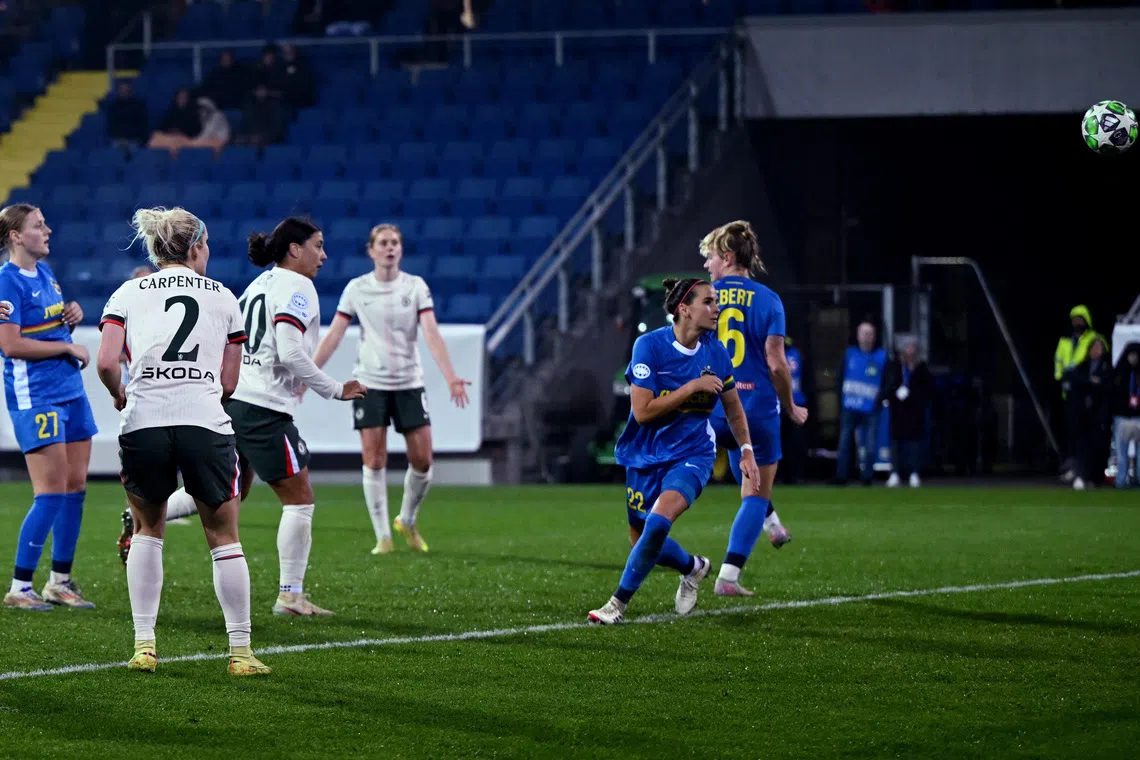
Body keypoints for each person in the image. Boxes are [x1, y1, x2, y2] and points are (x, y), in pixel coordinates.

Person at [156, 217, 365, 616]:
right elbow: (288, 351)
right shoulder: (298, 287)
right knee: (299, 498)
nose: (323, 255)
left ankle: (145, 512)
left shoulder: (260, 284)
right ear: (294, 249)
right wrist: (334, 389)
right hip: (263, 407)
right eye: (318, 246)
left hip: (235, 398)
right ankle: (290, 595)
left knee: (232, 492)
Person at [96, 206, 269, 676]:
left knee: (149, 531)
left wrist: (119, 395)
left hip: (144, 421)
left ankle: (144, 647)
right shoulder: (222, 296)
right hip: (204, 422)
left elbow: (108, 363)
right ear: (195, 247)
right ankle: (240, 653)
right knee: (223, 537)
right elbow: (229, 383)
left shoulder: (127, 292)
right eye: (206, 245)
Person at [587, 277, 761, 625]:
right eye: (709, 302)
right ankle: (693, 568)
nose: (717, 309)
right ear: (684, 309)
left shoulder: (716, 352)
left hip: (693, 454)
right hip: (645, 453)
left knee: (658, 522)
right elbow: (643, 412)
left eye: (716, 302)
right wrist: (692, 386)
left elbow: (734, 408)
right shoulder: (649, 347)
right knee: (642, 540)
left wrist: (746, 450)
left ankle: (617, 604)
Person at [313, 224, 470, 555]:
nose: (390, 248)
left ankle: (407, 520)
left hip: (409, 382)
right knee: (374, 458)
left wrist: (451, 376)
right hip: (370, 383)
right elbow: (335, 334)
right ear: (371, 250)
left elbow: (431, 334)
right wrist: (310, 373)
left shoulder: (415, 287)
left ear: (401, 249)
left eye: (395, 242)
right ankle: (383, 536)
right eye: (383, 243)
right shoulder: (357, 288)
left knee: (423, 459)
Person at [700, 221, 807, 597]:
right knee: (755, 492)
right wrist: (791, 406)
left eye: (710, 257)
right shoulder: (768, 299)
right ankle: (728, 576)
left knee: (743, 466)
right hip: (756, 409)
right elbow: (777, 364)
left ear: (727, 257)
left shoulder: (705, 296)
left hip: (716, 409)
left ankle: (773, 524)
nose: (707, 265)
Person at [0, 205, 95, 611]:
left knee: (75, 489)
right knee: (50, 492)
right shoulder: (6, 282)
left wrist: (69, 318)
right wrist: (66, 345)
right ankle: (20, 588)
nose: (48, 230)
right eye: (39, 226)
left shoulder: (44, 274)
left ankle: (60, 581)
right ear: (17, 237)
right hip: (37, 395)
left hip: (69, 389)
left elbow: (45, 326)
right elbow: (11, 345)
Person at [834, 322, 887, 485]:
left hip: (871, 408)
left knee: (871, 443)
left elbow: (888, 381)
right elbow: (840, 377)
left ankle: (867, 477)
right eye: (864, 333)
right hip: (849, 406)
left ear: (875, 336)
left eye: (870, 333)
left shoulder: (882, 357)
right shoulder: (849, 354)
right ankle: (841, 477)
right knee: (844, 443)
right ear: (857, 335)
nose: (866, 337)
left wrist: (879, 399)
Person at [1054, 305, 1100, 482]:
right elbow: (1059, 361)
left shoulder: (1093, 338)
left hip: (1085, 393)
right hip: (1069, 393)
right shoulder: (1065, 340)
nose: (1077, 322)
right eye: (1074, 319)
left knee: (1085, 436)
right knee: (1071, 434)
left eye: (1080, 319)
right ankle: (1072, 468)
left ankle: (1086, 471)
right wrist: (1061, 377)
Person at [883, 338, 933, 488]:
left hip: (914, 410)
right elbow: (888, 383)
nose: (910, 351)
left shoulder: (921, 367)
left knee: (914, 443)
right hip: (898, 409)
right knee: (895, 442)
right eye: (907, 348)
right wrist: (895, 392)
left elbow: (927, 389)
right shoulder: (894, 365)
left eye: (913, 348)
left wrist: (913, 395)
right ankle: (895, 473)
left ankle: (914, 473)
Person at [1064, 336, 1113, 491]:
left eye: (1099, 348)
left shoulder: (1107, 367)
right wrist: (1090, 381)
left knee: (1098, 447)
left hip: (1098, 415)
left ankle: (1095, 477)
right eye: (1093, 347)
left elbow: (1106, 386)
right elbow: (1074, 380)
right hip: (1083, 414)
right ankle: (1082, 475)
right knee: (1082, 447)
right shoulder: (1082, 366)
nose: (1095, 351)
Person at [780, 336, 808, 484]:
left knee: (795, 442)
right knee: (779, 442)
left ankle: (796, 475)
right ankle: (780, 475)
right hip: (777, 405)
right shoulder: (769, 353)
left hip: (796, 402)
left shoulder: (796, 354)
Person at [1112, 342, 1140, 488]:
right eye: (1131, 355)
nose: (1133, 358)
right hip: (1122, 416)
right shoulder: (1119, 372)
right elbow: (1113, 394)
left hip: (1138, 416)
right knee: (1121, 453)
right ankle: (1121, 480)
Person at [148, 88, 202, 153]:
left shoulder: (193, 114)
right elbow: (161, 128)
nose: (181, 99)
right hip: (169, 138)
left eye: (184, 97)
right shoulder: (170, 113)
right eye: (180, 97)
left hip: (185, 140)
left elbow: (196, 131)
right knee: (155, 136)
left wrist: (181, 133)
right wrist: (171, 131)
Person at [107, 79, 149, 148]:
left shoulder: (139, 105)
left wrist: (131, 138)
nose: (124, 92)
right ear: (118, 91)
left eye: (126, 90)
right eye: (122, 90)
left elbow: (143, 125)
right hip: (118, 140)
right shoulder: (113, 106)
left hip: (134, 140)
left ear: (131, 91)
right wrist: (120, 138)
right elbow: (111, 126)